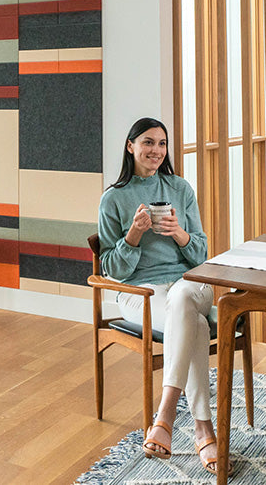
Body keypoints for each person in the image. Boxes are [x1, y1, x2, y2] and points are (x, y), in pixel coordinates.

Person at [97, 116, 225, 476]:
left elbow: (200, 255)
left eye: (162, 144)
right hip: (141, 291)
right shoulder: (114, 199)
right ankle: (203, 429)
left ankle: (165, 414)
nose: (156, 150)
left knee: (184, 294)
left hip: (188, 282)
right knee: (195, 326)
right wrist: (133, 236)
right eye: (148, 142)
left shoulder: (180, 189)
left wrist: (179, 234)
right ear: (130, 146)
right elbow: (111, 267)